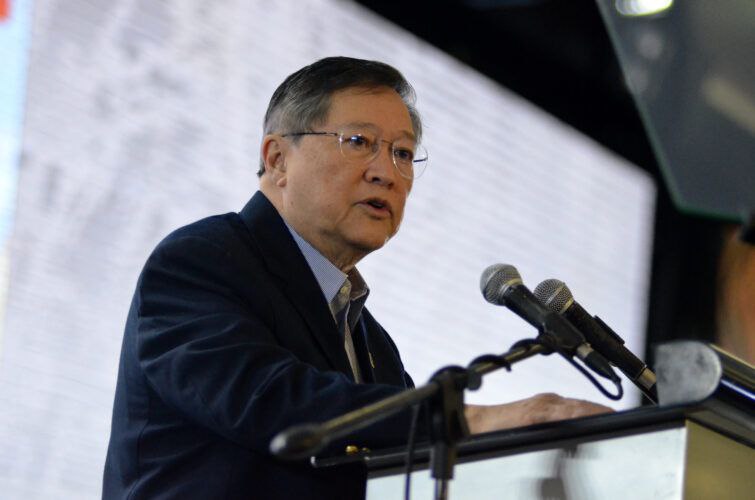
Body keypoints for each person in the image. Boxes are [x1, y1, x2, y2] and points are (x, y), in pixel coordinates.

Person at [102, 56, 609, 500]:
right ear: (277, 159)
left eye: (403, 153)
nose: (386, 172)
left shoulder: (375, 347)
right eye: (359, 142)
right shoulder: (202, 260)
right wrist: (471, 419)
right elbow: (266, 400)